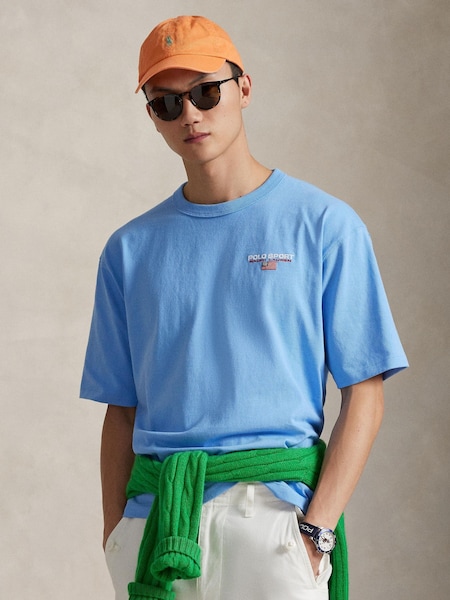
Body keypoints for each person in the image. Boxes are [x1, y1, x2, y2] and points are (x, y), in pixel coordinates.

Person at [80, 15, 408, 600]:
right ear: (152, 116)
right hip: (157, 523)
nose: (190, 114)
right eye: (167, 103)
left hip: (274, 524)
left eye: (206, 92)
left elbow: (366, 393)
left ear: (244, 88)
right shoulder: (128, 250)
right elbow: (120, 413)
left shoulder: (324, 225)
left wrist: (316, 533)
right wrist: (116, 537)